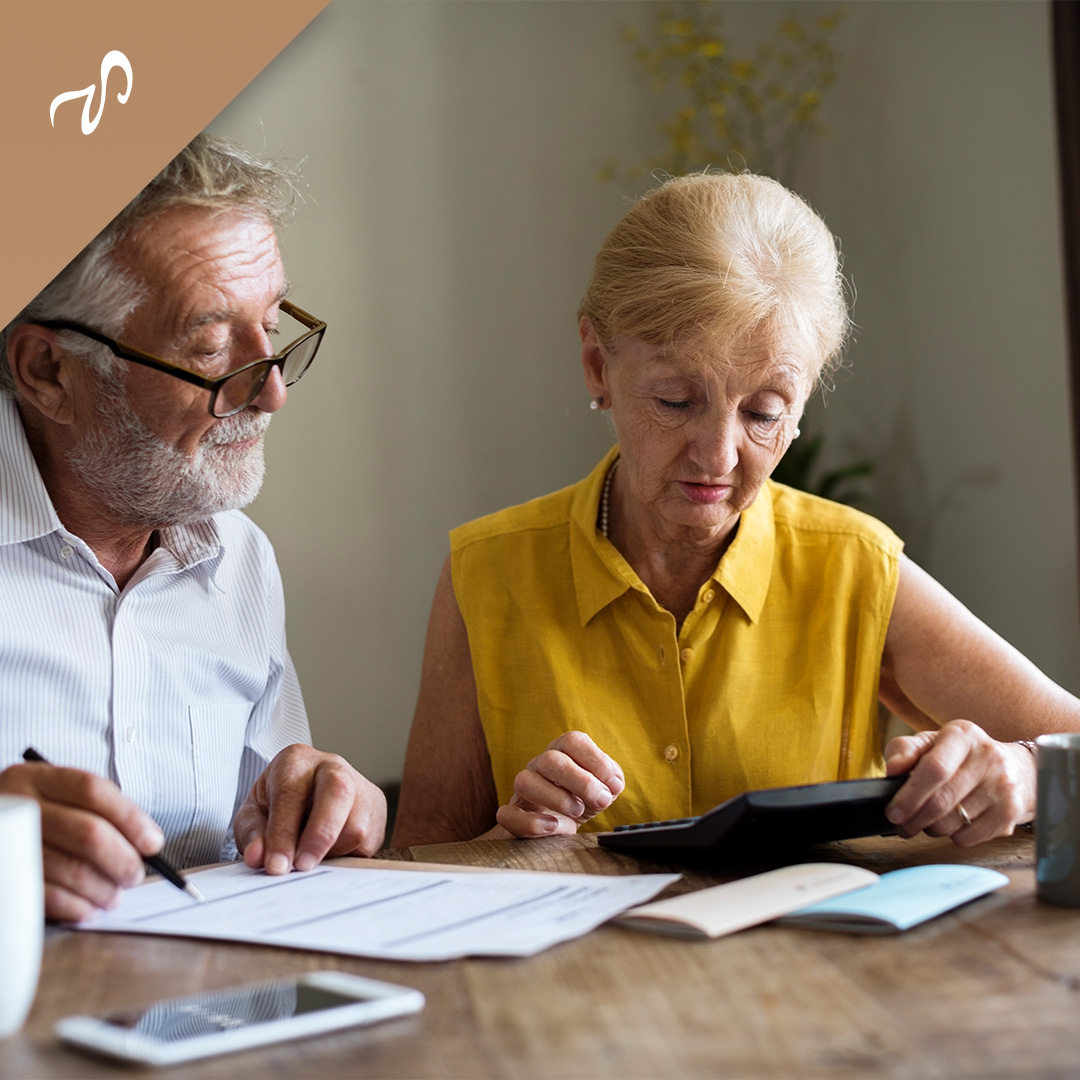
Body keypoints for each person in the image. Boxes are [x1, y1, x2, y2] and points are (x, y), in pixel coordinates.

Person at [392, 171, 1080, 850]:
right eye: (676, 402)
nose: (718, 457)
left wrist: (1024, 770)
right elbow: (421, 856)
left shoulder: (853, 567)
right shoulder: (486, 574)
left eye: (763, 413)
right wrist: (508, 838)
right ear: (598, 364)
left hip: (812, 960)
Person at [0, 134, 385, 922]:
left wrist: (322, 805)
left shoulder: (237, 560)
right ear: (46, 371)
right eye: (211, 349)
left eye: (273, 328)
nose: (271, 391)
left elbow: (267, 821)